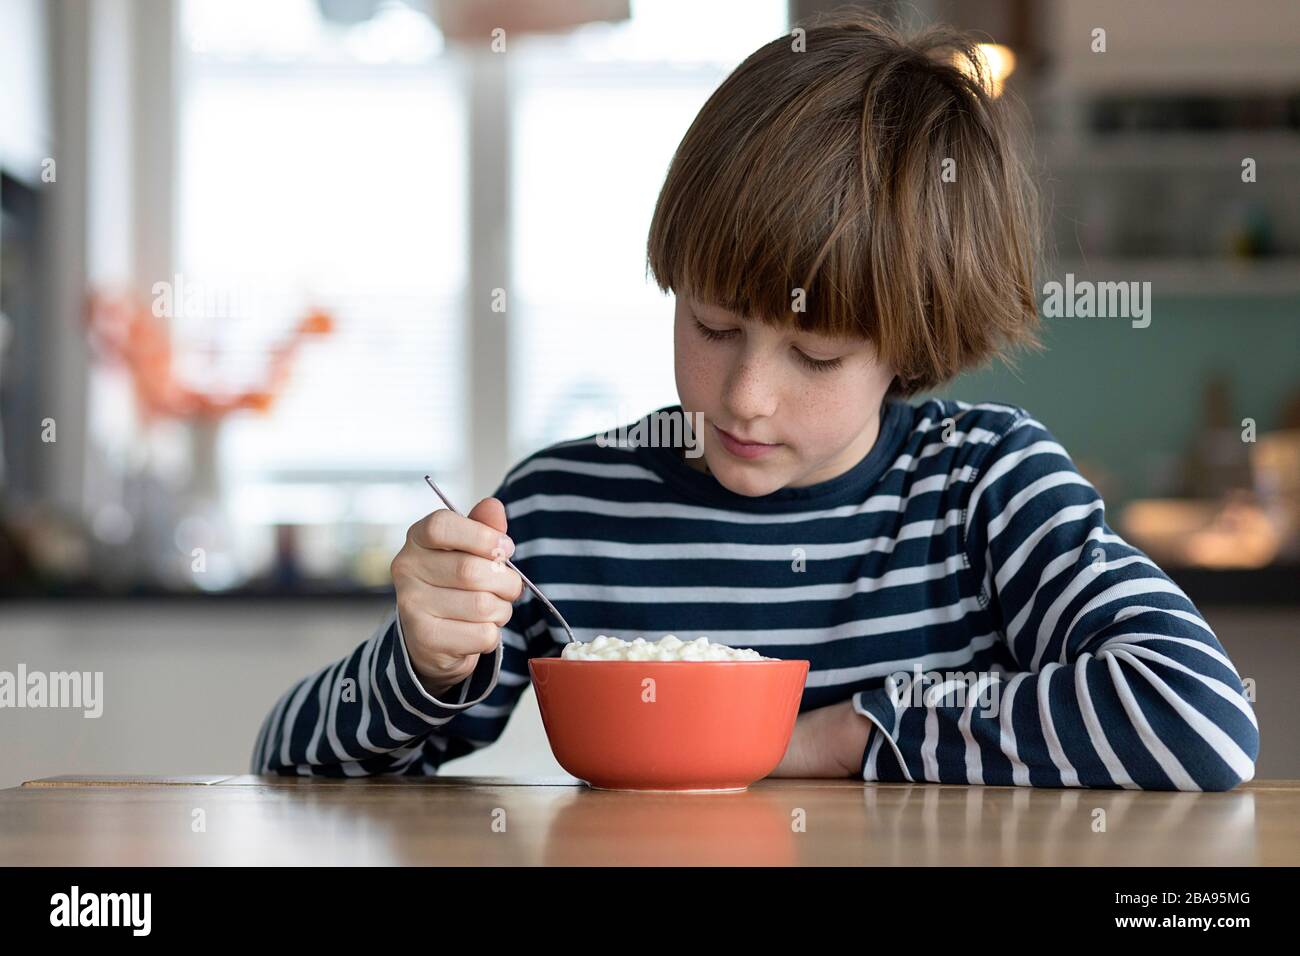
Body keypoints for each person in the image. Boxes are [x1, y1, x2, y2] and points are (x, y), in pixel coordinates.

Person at [252, 13, 1258, 790]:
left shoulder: (984, 489)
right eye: (713, 325)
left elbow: (1200, 716)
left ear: (910, 347)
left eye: (814, 356)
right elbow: (287, 765)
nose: (744, 397)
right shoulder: (563, 513)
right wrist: (420, 663)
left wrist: (842, 735)